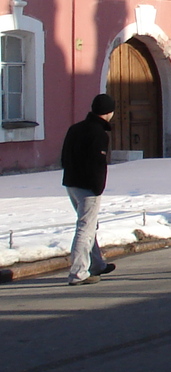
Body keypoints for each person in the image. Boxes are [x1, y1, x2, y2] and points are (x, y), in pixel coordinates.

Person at [61, 93, 117, 285]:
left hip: (71, 183)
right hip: (88, 187)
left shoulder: (75, 129)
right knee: (85, 229)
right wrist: (97, 187)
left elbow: (64, 157)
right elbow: (97, 163)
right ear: (109, 113)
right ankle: (78, 272)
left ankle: (97, 264)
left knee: (90, 225)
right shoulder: (99, 134)